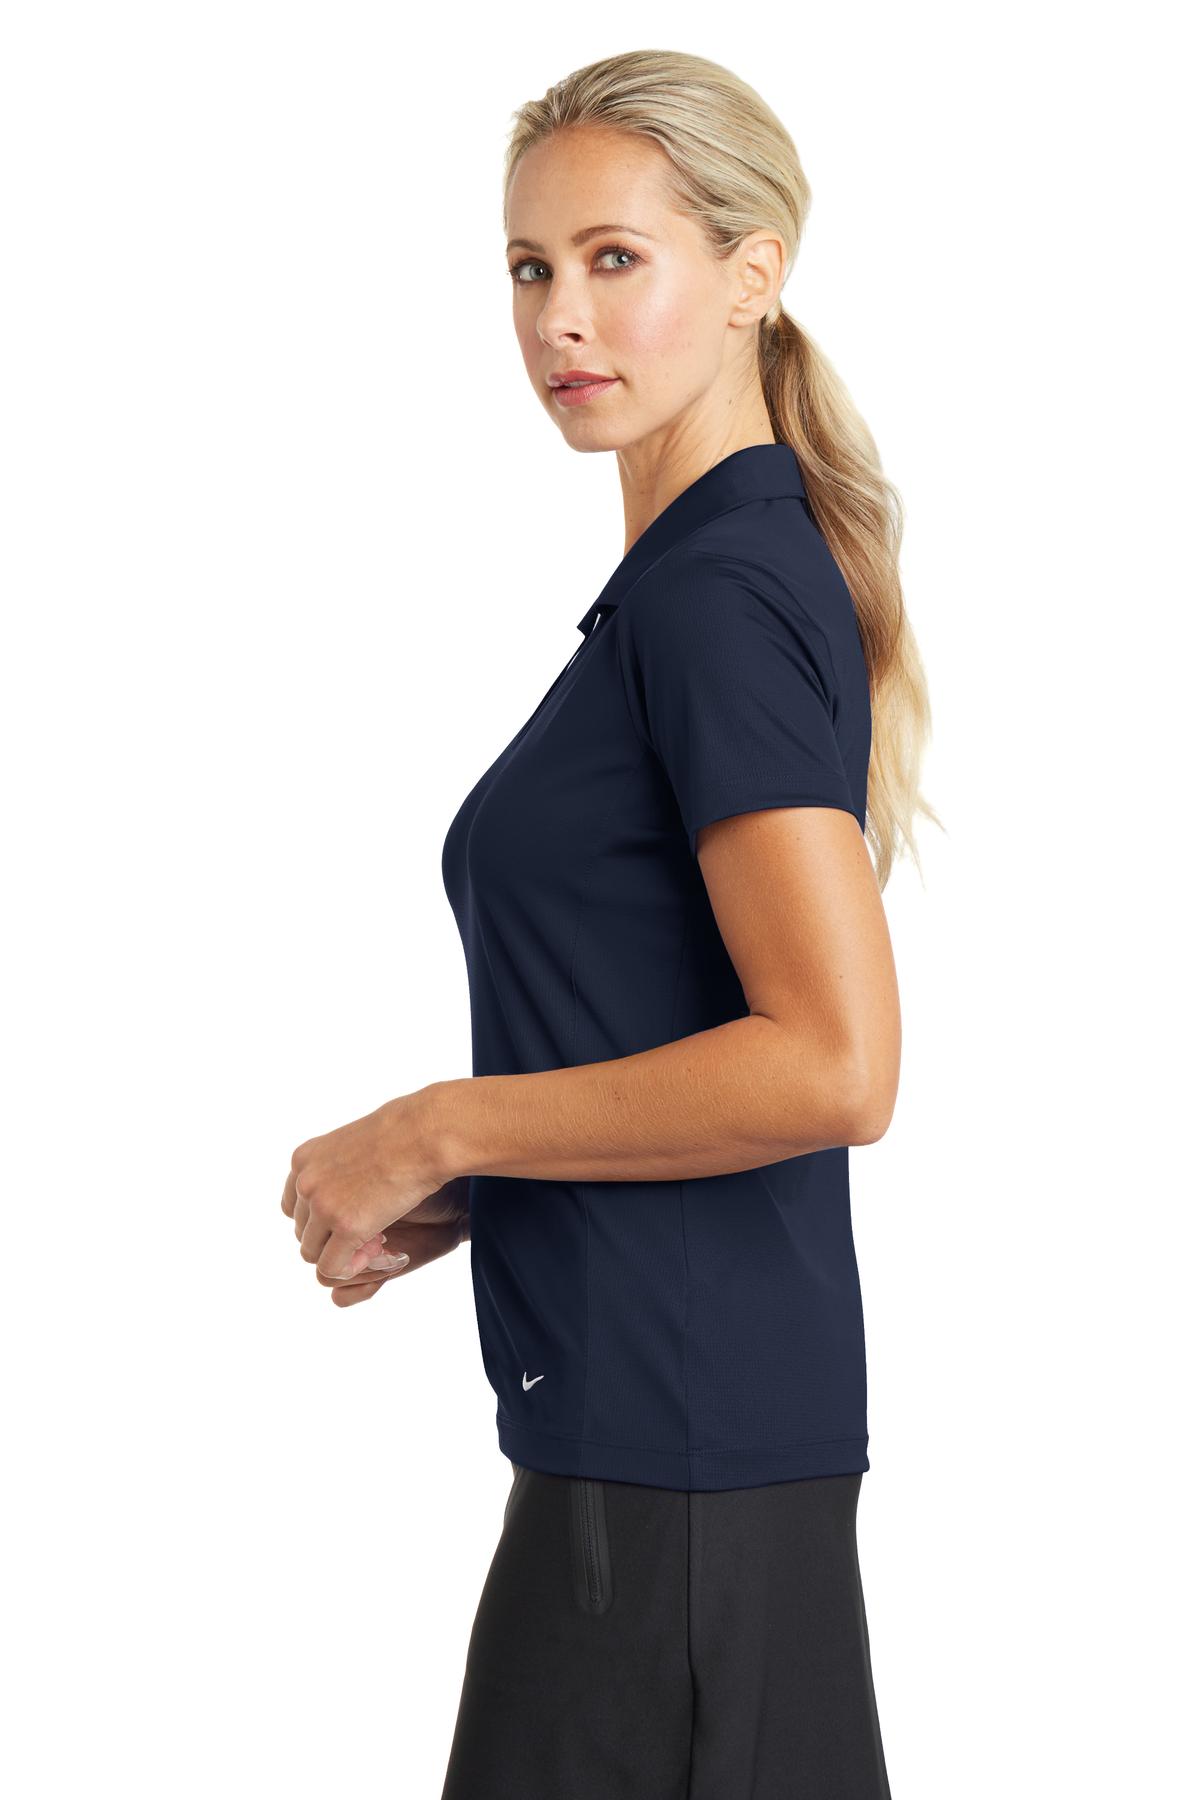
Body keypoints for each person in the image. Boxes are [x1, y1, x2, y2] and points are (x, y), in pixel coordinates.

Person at [282, 46, 936, 1800]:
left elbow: (836, 1064)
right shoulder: (692, 584)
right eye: (529, 266)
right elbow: (681, 1018)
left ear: (752, 272)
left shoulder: (718, 594)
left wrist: (442, 1124)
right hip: (661, 1459)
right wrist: (494, 1181)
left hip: (674, 1483)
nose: (559, 316)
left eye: (614, 258)